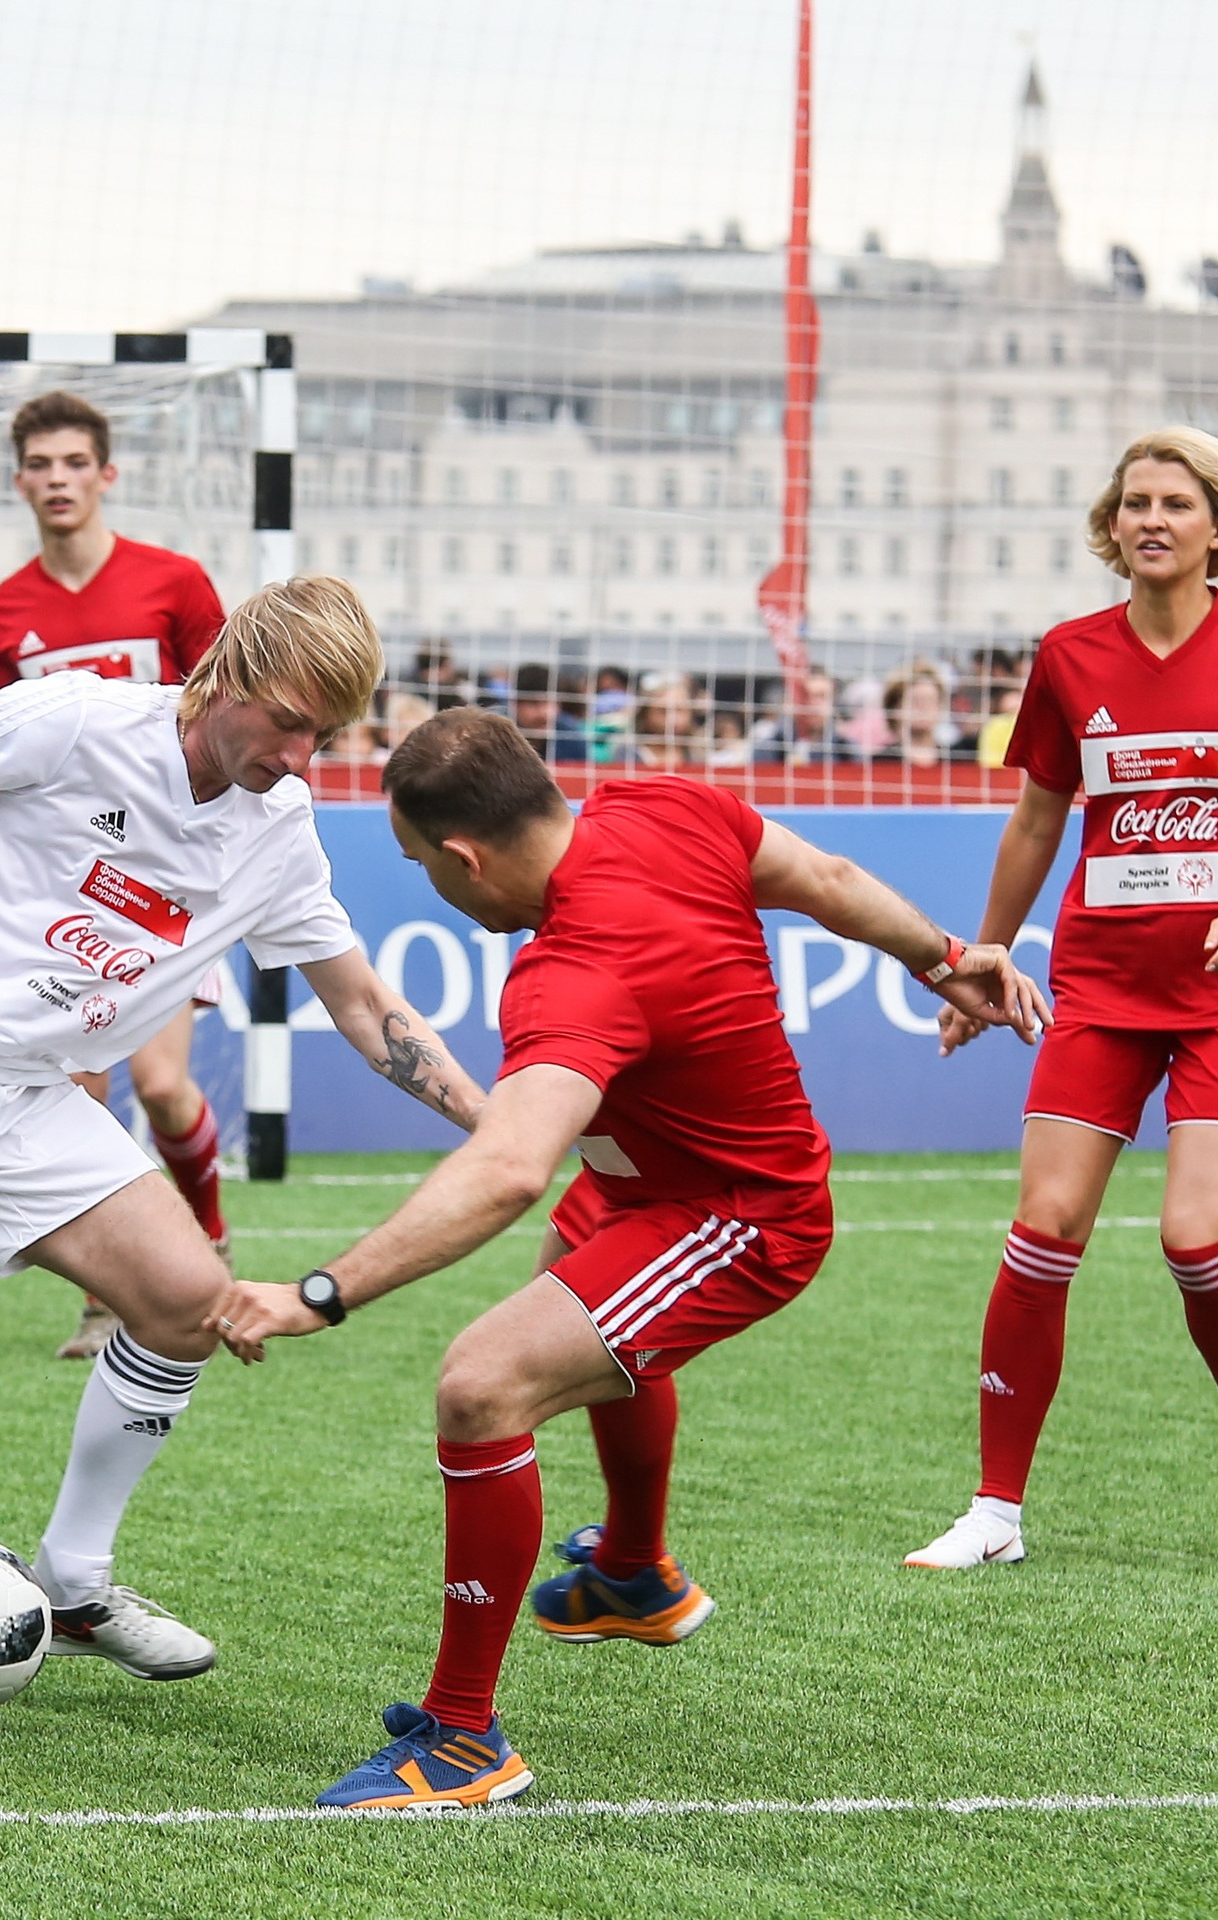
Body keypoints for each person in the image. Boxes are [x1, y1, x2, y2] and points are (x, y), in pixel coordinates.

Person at [202, 706, 1042, 1809]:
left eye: (423, 867)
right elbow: (827, 875)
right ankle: (635, 1573)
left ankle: (461, 1740)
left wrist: (322, 1293)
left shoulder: (570, 975)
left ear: (465, 856)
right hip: (646, 1186)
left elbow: (507, 1168)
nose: (435, 890)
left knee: (481, 1383)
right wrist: (942, 958)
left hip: (739, 1217)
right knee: (574, 1261)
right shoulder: (664, 805)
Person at [0, 576, 487, 1743]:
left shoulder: (277, 833)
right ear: (223, 673)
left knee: (185, 1300)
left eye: (322, 735)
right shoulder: (77, 718)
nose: (298, 754)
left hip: (24, 1090)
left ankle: (72, 1582)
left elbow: (365, 1005)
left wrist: (498, 1126)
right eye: (284, 720)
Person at [908, 426, 1218, 1573]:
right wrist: (986, 956)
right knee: (1042, 1230)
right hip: (1099, 988)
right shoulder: (1067, 656)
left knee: (1196, 1239)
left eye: (1175, 504)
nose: (1150, 519)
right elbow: (1039, 820)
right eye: (1134, 501)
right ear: (1112, 525)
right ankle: (995, 1512)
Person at [0, 390, 235, 1358]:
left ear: (106, 475)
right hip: (66, 893)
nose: (57, 480)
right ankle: (106, 1292)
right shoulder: (3, 612)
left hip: (166, 881)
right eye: (39, 465)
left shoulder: (174, 583)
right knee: (79, 1094)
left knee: (162, 1090)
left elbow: (229, 716)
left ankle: (206, 1234)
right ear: (19, 482)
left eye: (74, 463)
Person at [509, 663, 590, 764]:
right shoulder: (496, 737)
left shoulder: (572, 738)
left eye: (550, 703)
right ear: (515, 704)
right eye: (534, 703)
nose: (544, 713)